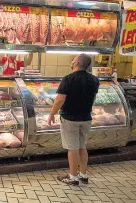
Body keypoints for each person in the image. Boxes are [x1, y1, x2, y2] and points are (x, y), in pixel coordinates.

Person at [48, 54, 99, 186]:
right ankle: (83, 175)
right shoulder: (94, 79)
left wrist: (52, 113)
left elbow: (60, 99)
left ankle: (73, 177)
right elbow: (93, 98)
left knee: (73, 148)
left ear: (76, 62)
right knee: (82, 146)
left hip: (70, 118)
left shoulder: (68, 79)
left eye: (73, 59)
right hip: (86, 117)